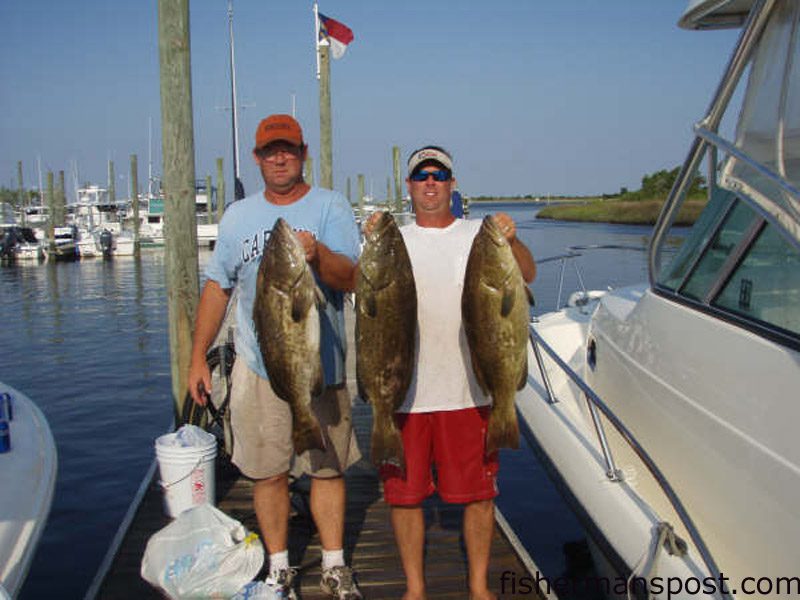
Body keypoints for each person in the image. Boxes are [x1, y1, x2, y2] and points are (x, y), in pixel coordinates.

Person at [188, 114, 363, 600]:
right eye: (270, 151)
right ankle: (279, 568)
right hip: (257, 369)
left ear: (303, 153)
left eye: (287, 149)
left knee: (327, 468)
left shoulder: (331, 205)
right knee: (267, 471)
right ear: (257, 158)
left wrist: (317, 255)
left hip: (320, 368)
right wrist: (197, 357)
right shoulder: (237, 217)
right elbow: (218, 288)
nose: (279, 157)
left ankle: (333, 564)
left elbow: (350, 277)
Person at [375, 145, 536, 600]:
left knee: (479, 495)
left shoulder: (477, 235)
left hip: (471, 389)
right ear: (409, 186)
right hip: (404, 392)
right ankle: (415, 588)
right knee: (404, 497)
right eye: (421, 175)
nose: (430, 182)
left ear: (452, 183)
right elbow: (359, 286)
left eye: (439, 174)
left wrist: (512, 236)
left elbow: (527, 273)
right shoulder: (394, 240)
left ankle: (479, 585)